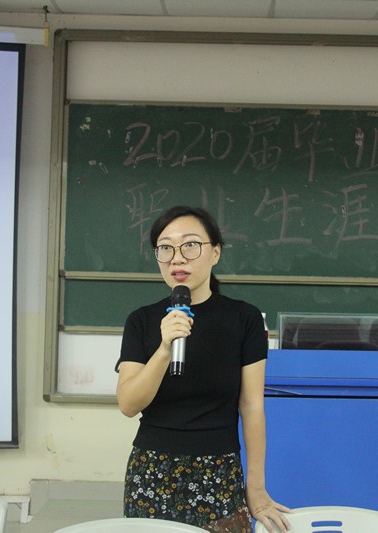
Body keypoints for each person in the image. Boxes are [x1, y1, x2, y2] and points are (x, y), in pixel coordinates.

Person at [116, 205, 291, 533]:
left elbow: (252, 406)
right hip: (152, 472)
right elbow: (128, 404)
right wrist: (164, 348)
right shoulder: (142, 321)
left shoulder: (244, 319)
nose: (177, 259)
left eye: (190, 245)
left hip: (219, 472)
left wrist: (255, 488)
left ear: (215, 253)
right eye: (165, 248)